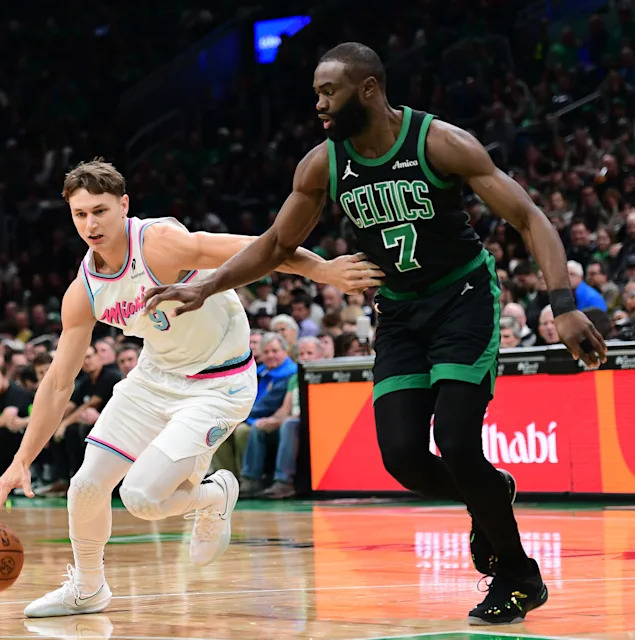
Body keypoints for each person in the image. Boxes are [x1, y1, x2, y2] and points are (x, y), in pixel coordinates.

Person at [144, 42, 607, 625]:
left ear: (368, 89)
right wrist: (204, 287)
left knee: (460, 443)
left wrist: (562, 305)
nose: (318, 104)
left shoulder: (439, 142)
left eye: (328, 91)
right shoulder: (322, 164)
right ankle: (491, 494)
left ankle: (517, 576)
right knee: (404, 460)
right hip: (398, 313)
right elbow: (276, 246)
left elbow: (529, 217)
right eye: (316, 93)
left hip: (462, 298)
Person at [0, 160, 380, 618]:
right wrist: (21, 460)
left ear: (124, 206)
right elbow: (57, 383)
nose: (90, 224)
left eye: (100, 211)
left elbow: (264, 247)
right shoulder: (85, 289)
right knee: (86, 485)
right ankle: (89, 589)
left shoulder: (160, 244)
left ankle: (214, 495)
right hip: (154, 379)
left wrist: (322, 270)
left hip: (220, 383)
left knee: (142, 498)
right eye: (80, 214)